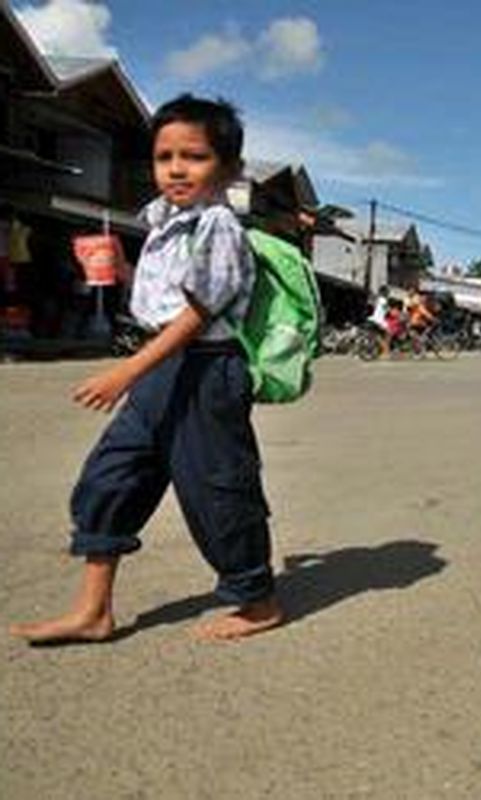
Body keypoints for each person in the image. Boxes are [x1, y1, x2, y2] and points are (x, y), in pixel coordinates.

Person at [9, 94, 283, 644]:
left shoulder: (219, 228)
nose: (177, 169)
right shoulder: (162, 222)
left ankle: (256, 600)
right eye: (165, 157)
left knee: (217, 488)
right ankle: (93, 611)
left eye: (195, 156)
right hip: (164, 366)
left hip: (206, 369)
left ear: (228, 168)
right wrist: (123, 269)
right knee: (112, 476)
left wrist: (126, 371)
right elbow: (164, 303)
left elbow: (199, 314)